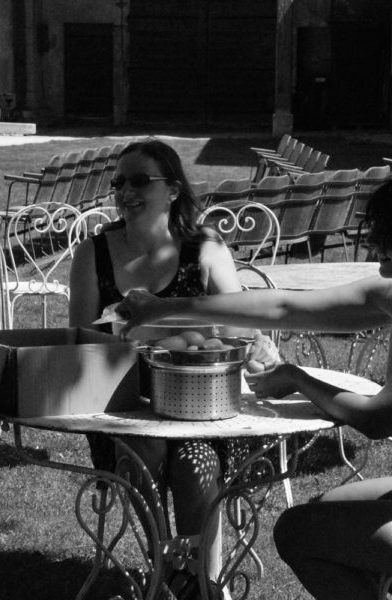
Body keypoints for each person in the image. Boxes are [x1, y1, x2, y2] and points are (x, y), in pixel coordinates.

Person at [116, 173, 392, 600]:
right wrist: (164, 308)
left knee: (299, 534)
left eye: (383, 232)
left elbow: (379, 419)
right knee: (320, 516)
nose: (371, 241)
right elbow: (285, 306)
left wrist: (296, 377)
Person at [69, 138, 276, 593]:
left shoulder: (204, 248)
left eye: (140, 180)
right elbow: (80, 341)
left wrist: (258, 348)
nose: (126, 191)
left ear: (174, 190)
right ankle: (171, 567)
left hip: (199, 403)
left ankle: (194, 577)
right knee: (144, 452)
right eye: (119, 182)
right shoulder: (93, 253)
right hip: (121, 405)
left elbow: (241, 328)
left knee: (195, 460)